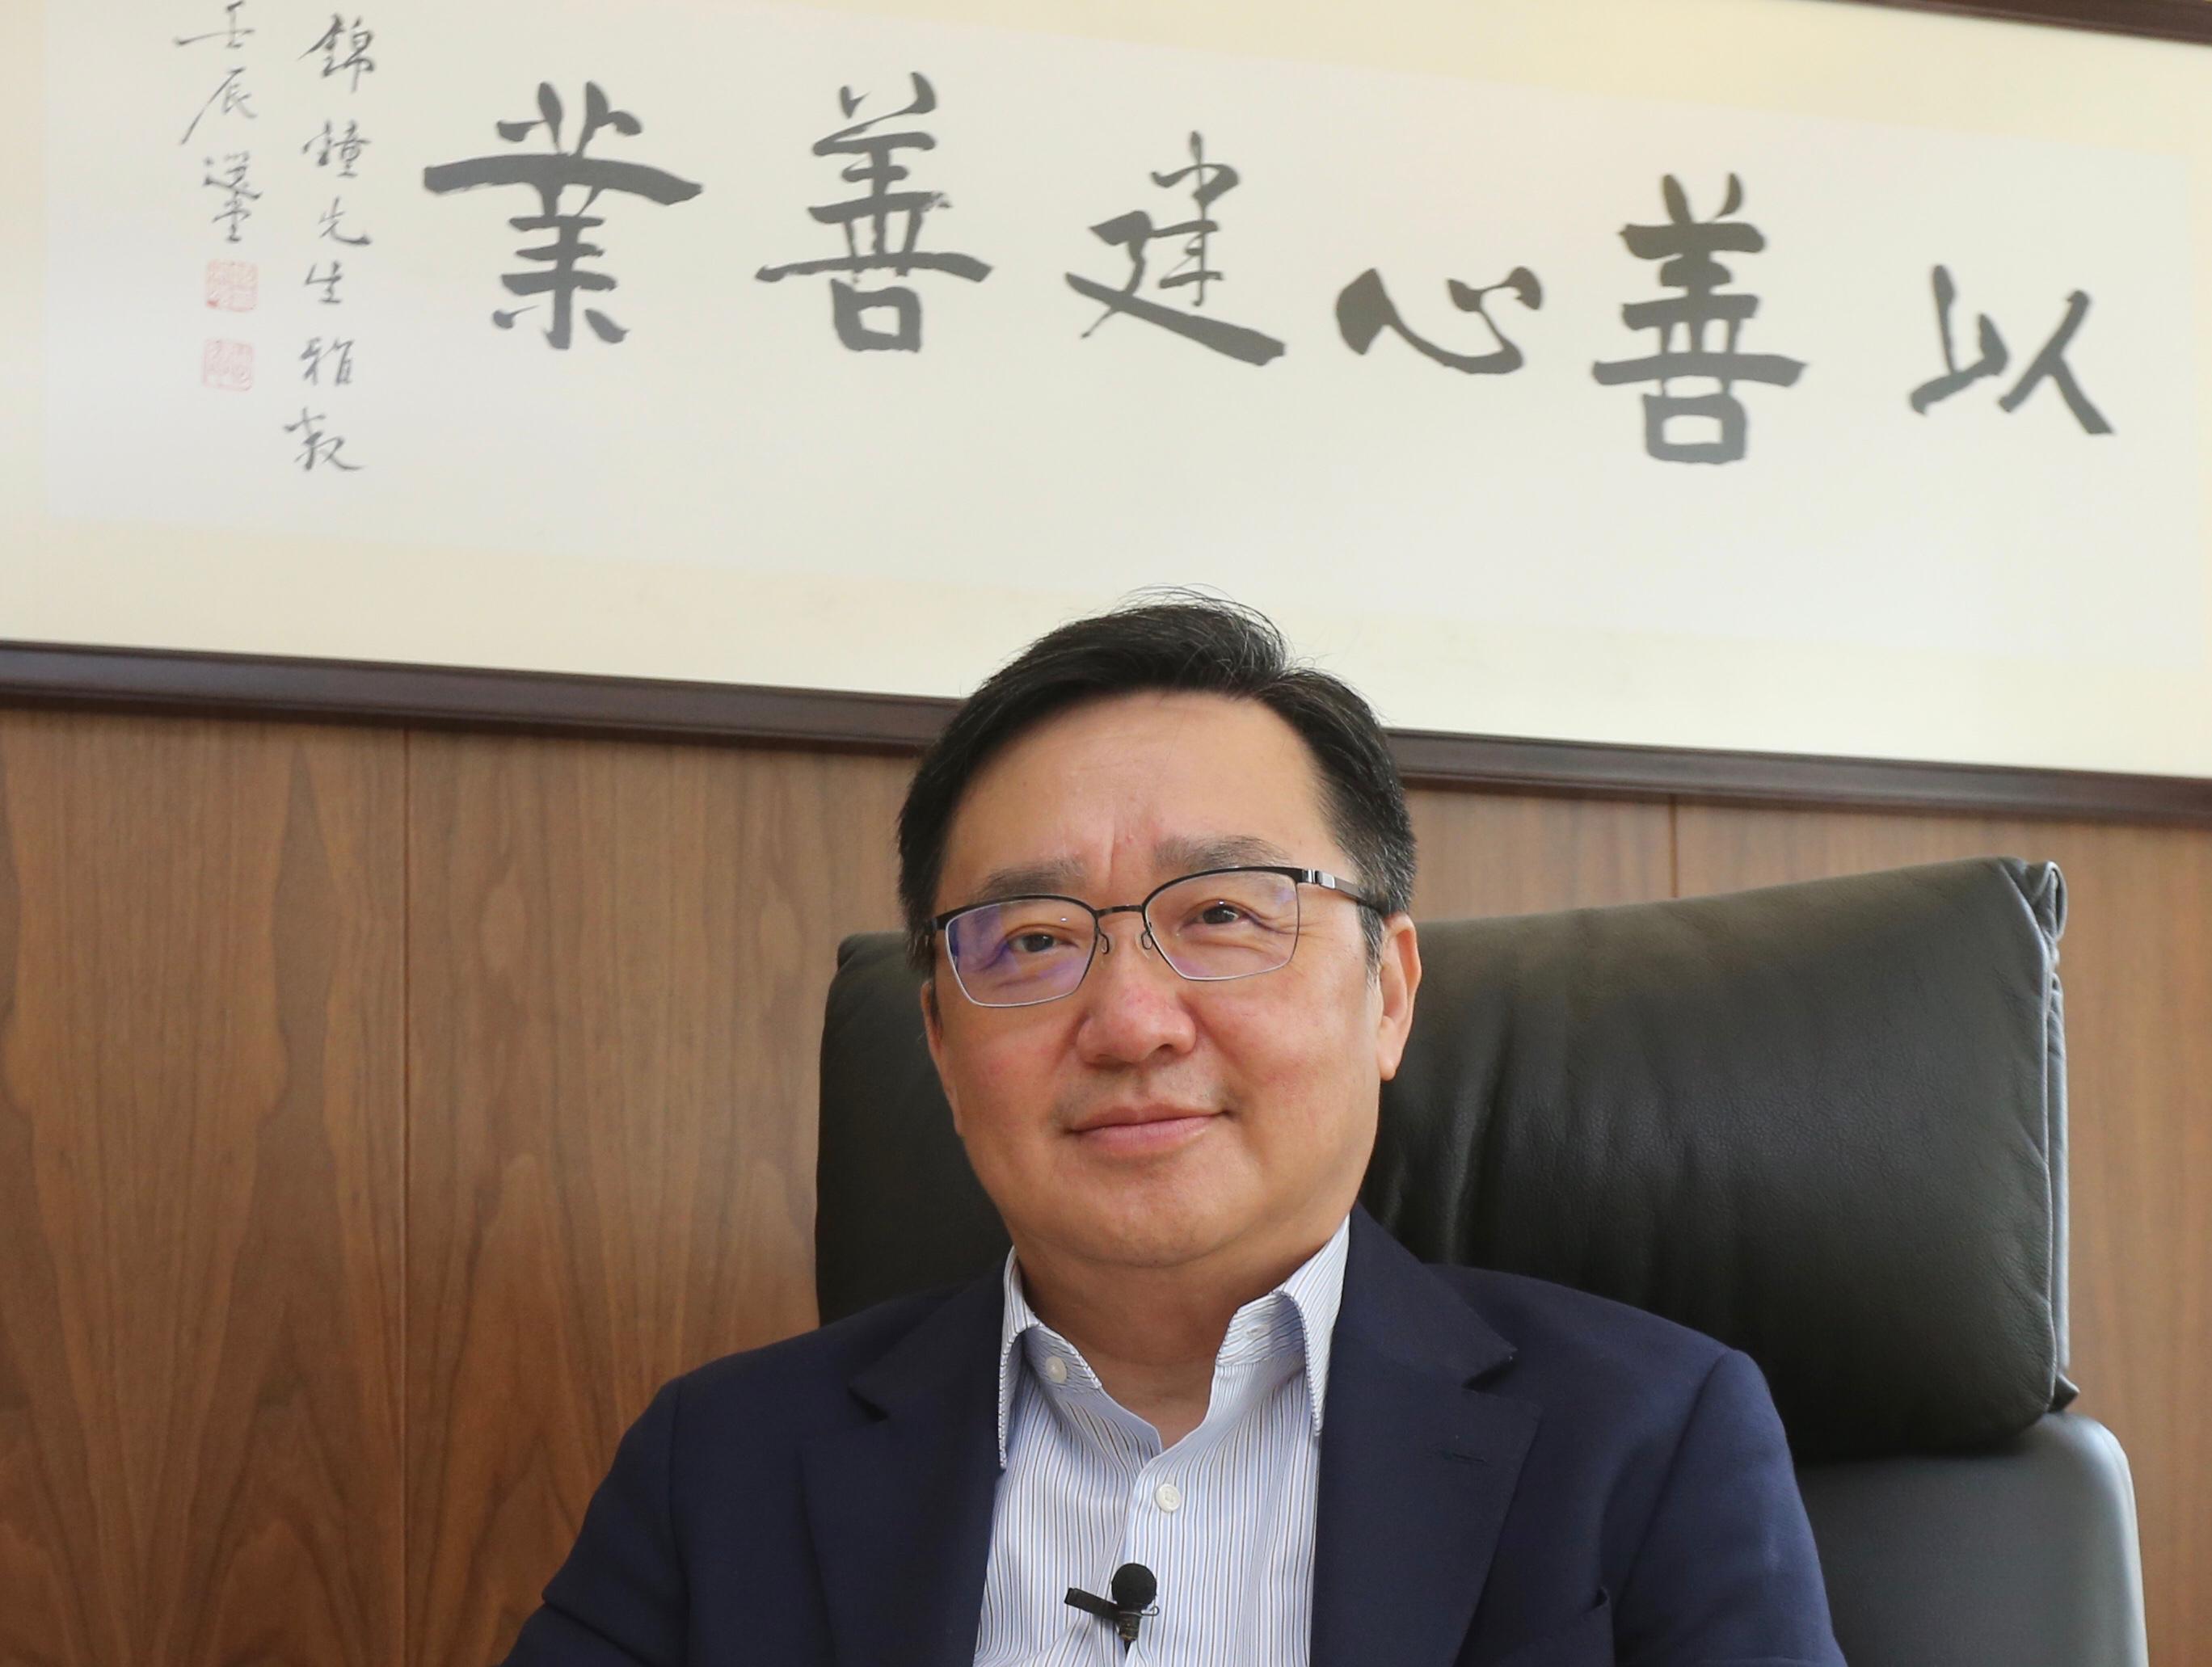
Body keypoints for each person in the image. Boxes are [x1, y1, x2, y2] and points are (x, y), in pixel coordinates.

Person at [499, 596, 1845, 1666]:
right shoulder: (721, 1464)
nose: (1131, 1022)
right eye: (1034, 941)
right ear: (941, 1047)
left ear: (1386, 994)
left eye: (1223, 915)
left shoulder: (1646, 1438)